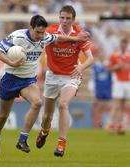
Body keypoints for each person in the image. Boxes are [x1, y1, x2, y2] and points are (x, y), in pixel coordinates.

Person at [0, 14, 89, 158]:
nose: (40, 35)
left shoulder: (45, 37)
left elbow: (58, 38)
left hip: (28, 80)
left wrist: (76, 39)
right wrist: (11, 63)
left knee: (37, 103)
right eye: (37, 32)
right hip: (10, 79)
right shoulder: (17, 37)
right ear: (31, 28)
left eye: (43, 32)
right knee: (3, 116)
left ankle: (22, 140)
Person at [36, 5, 94, 157]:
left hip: (71, 75)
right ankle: (44, 131)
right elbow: (45, 41)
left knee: (63, 104)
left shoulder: (79, 34)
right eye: (62, 17)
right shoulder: (50, 31)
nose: (65, 21)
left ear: (73, 20)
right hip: (52, 76)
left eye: (68, 18)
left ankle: (61, 143)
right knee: (47, 115)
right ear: (59, 18)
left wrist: (82, 68)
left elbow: (90, 58)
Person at [107, 37, 130, 135]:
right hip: (118, 81)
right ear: (120, 44)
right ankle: (111, 125)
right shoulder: (114, 56)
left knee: (123, 105)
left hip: (127, 82)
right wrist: (116, 67)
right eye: (122, 43)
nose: (123, 45)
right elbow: (108, 69)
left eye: (125, 44)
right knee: (116, 104)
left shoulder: (129, 56)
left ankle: (120, 126)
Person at [91, 54, 112, 128]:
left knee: (109, 105)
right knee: (99, 105)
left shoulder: (108, 65)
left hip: (107, 87)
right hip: (99, 87)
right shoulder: (96, 66)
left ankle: (109, 122)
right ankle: (100, 122)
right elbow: (93, 76)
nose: (101, 56)